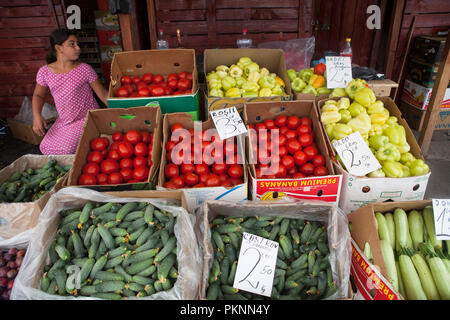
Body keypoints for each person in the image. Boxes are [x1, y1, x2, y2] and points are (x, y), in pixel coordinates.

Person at [32, 28, 109, 155]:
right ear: (58, 48)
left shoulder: (85, 69)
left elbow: (104, 95)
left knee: (66, 150)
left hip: (87, 118)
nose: (78, 47)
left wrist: (123, 112)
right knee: (45, 147)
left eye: (77, 44)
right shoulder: (44, 72)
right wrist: (37, 116)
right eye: (72, 44)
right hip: (65, 120)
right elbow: (38, 95)